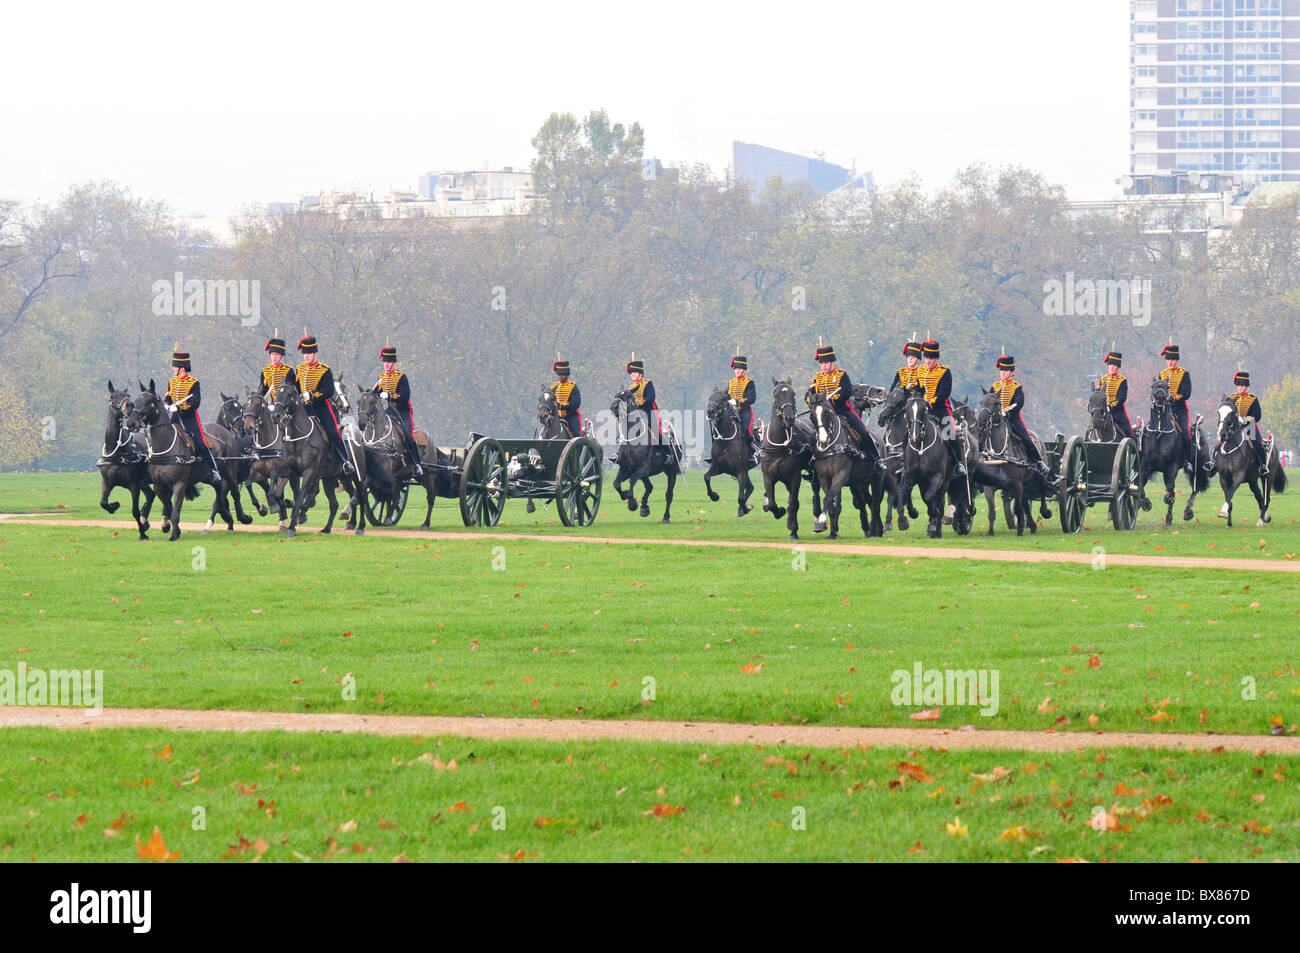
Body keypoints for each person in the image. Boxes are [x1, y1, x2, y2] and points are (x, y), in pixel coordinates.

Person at [806, 344, 883, 469]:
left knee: (863, 432)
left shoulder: (842, 375)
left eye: (826, 363)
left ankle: (877, 460)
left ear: (833, 363)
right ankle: (811, 466)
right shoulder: (817, 378)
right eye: (821, 363)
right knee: (812, 438)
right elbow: (809, 395)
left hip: (842, 410)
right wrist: (814, 402)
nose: (823, 366)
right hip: (824, 413)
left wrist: (831, 401)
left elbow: (846, 391)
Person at [165, 350, 226, 490]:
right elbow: (168, 397)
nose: (172, 369)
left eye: (174, 366)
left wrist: (179, 408)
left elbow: (195, 403)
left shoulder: (193, 383)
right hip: (174, 417)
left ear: (182, 368)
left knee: (200, 443)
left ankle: (213, 469)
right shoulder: (172, 382)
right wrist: (166, 405)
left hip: (189, 418)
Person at [296, 335, 355, 475]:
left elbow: (328, 391)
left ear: (315, 354)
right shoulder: (299, 369)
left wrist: (312, 395)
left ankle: (345, 461)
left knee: (333, 431)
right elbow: (296, 387)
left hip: (321, 407)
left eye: (309, 353)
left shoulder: (324, 369)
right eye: (304, 353)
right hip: (304, 408)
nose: (306, 356)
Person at [990, 355, 1050, 479]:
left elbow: (1019, 402)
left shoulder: (1016, 387)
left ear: (1012, 372)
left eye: (1005, 371)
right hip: (996, 419)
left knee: (1026, 439)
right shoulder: (994, 387)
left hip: (1012, 419)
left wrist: (1008, 412)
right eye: (1001, 370)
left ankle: (1039, 462)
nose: (1003, 373)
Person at [915, 340, 967, 476]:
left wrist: (930, 402)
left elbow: (944, 393)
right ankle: (905, 463)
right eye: (926, 358)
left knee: (950, 434)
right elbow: (918, 390)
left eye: (931, 358)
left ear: (936, 358)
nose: (928, 361)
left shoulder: (944, 372)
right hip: (923, 408)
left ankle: (958, 463)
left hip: (940, 408)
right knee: (910, 428)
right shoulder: (920, 371)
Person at [375, 344, 422, 476]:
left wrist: (389, 395)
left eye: (389, 362)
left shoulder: (401, 377)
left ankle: (416, 464)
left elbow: (405, 396)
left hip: (403, 411)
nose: (386, 364)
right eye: (385, 361)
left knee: (408, 435)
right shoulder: (381, 378)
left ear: (394, 363)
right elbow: (375, 394)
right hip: (389, 411)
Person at [1213, 370, 1267, 475]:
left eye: (1242, 386)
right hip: (1233, 426)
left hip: (1249, 426)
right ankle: (1213, 463)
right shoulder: (1230, 398)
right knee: (1221, 441)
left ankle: (1262, 465)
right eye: (1238, 385)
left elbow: (1257, 415)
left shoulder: (1253, 399)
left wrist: (1245, 419)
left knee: (1256, 443)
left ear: (1246, 386)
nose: (1240, 388)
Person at [1159, 344, 1195, 473]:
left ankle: (1186, 461)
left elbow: (1187, 393)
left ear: (1177, 360)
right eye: (1168, 359)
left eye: (1173, 359)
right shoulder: (1162, 374)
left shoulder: (1184, 374)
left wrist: (1174, 398)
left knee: (1185, 433)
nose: (1170, 362)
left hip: (1179, 409)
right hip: (1164, 410)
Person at [727, 354, 757, 464]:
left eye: (739, 369)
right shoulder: (731, 382)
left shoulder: (749, 382)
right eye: (736, 369)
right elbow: (728, 396)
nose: (737, 371)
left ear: (744, 370)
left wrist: (738, 401)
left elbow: (751, 398)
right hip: (732, 411)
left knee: (746, 430)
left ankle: (751, 452)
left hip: (745, 411)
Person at [1100, 351, 1135, 440]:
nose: (1112, 367)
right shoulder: (1103, 379)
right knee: (1090, 428)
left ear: (1117, 367)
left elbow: (1122, 398)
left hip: (1117, 411)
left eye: (1114, 365)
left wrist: (1111, 405)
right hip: (1103, 411)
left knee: (1128, 431)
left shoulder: (1122, 380)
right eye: (1110, 365)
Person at [257, 335, 298, 399]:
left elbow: (291, 390)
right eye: (272, 354)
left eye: (277, 354)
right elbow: (262, 391)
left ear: (281, 356)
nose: (274, 357)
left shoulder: (288, 371)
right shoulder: (265, 371)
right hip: (273, 404)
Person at [550, 360, 582, 437]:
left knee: (576, 435)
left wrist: (561, 406)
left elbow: (576, 404)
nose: (560, 376)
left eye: (563, 375)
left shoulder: (573, 387)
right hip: (556, 416)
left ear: (567, 375)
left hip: (570, 415)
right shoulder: (553, 387)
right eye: (559, 374)